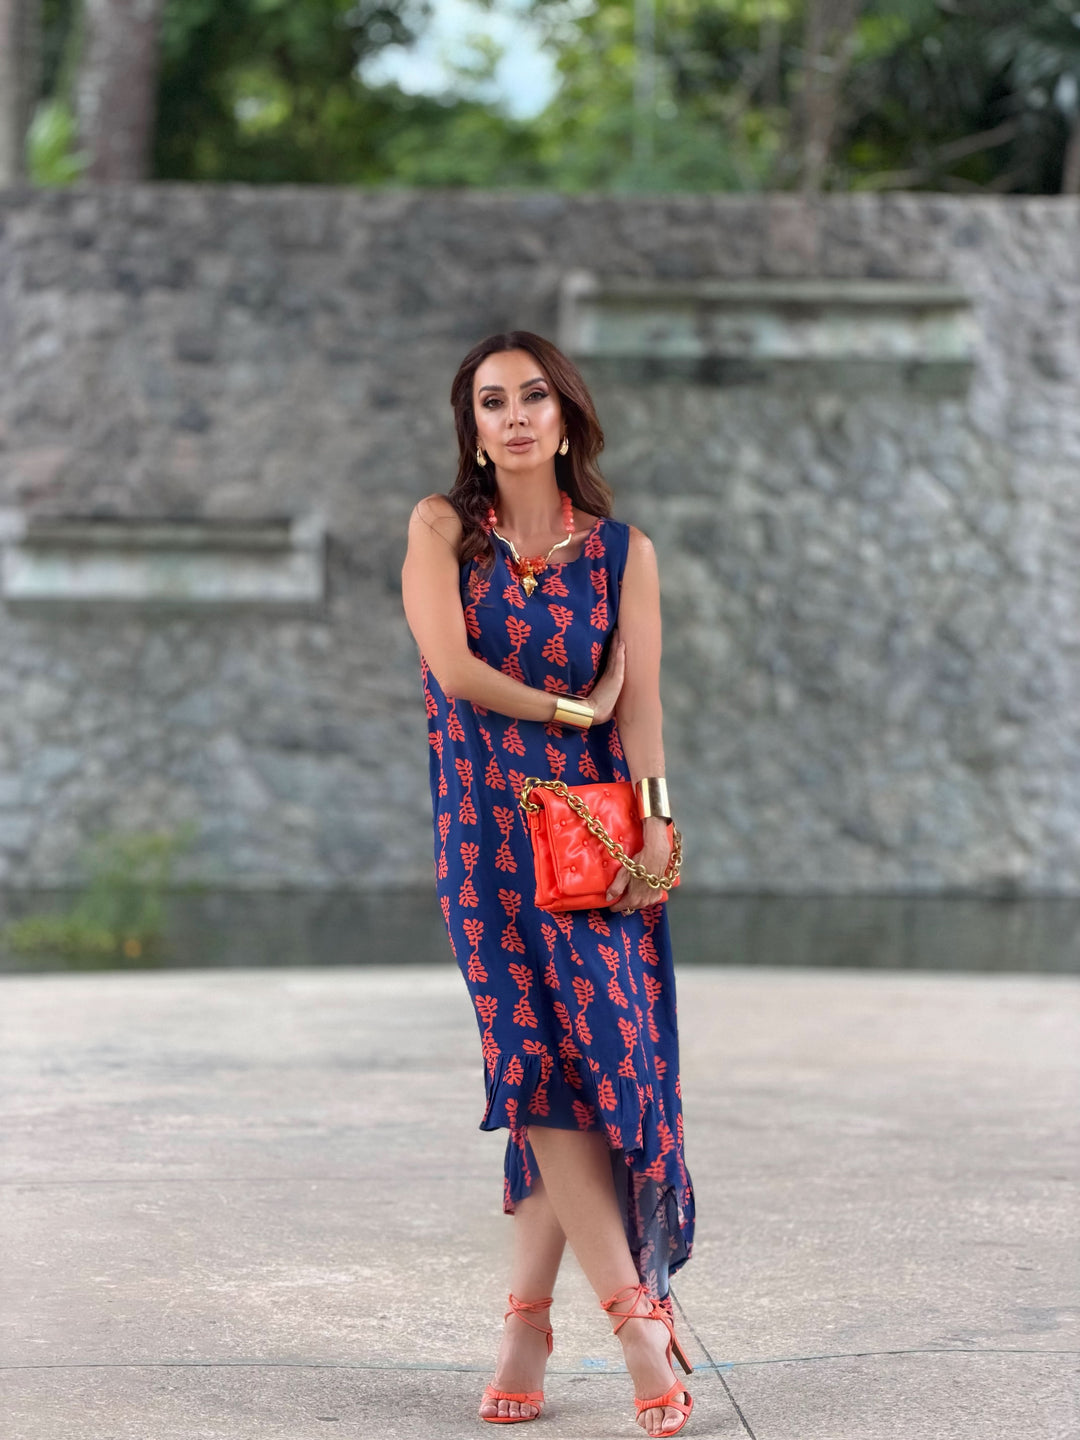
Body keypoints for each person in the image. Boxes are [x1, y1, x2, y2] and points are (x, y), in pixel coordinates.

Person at [401, 331, 695, 1437]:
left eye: (533, 396)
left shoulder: (626, 554)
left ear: (565, 415)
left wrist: (659, 823)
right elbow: (457, 671)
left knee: (608, 1066)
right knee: (532, 1063)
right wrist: (575, 708)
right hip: (483, 838)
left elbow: (647, 703)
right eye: (492, 401)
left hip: (590, 845)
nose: (515, 415)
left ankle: (527, 1318)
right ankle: (634, 1324)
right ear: (471, 426)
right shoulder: (442, 530)